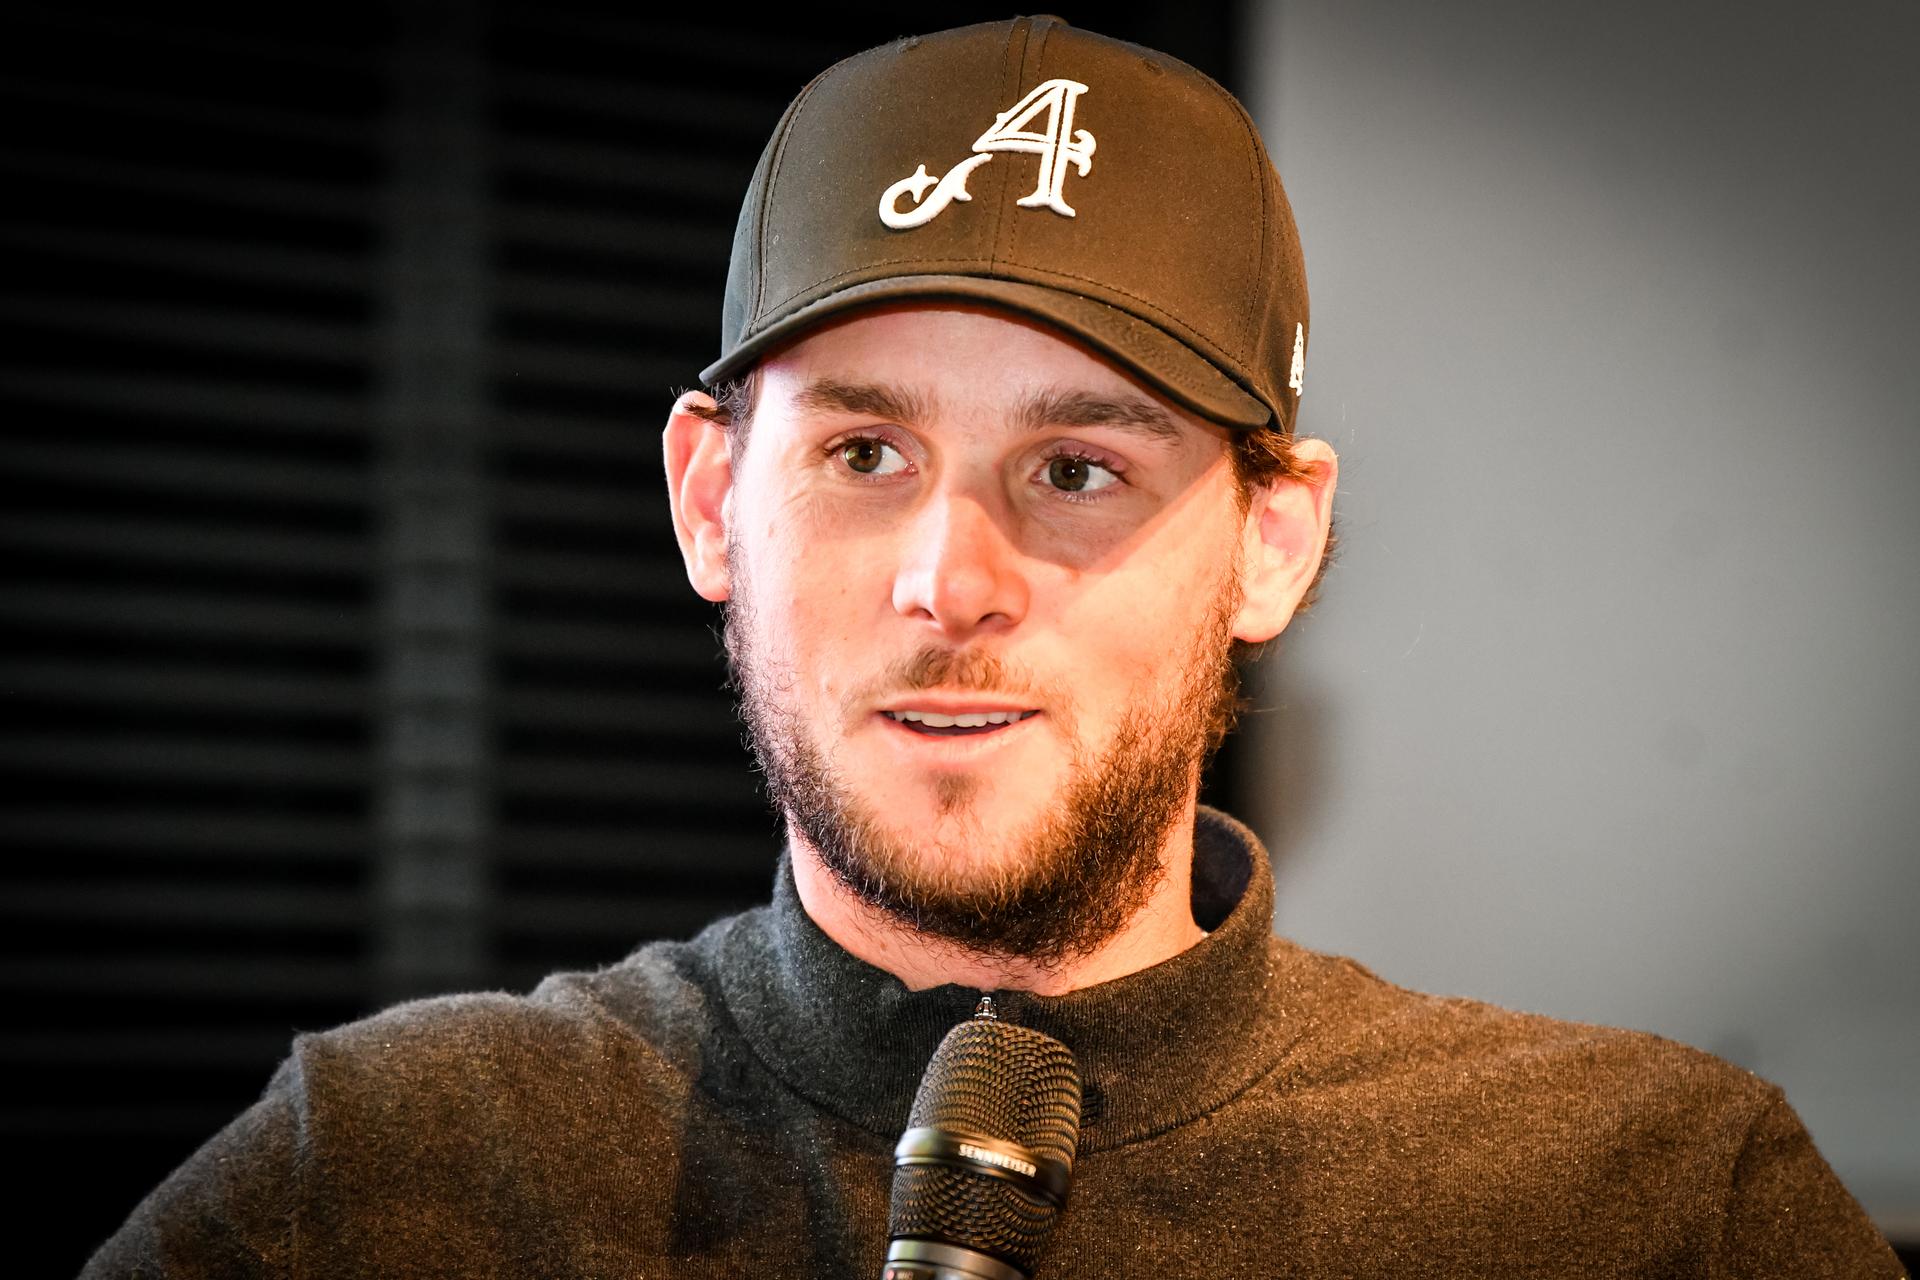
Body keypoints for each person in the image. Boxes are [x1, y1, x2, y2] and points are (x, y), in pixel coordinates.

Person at [85, 16, 1902, 1279]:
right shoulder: (392, 1174)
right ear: (713, 504)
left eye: (1077, 466)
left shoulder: (1648, 1202)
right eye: (865, 454)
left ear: (1274, 539)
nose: (950, 578)